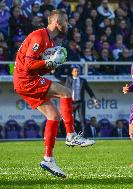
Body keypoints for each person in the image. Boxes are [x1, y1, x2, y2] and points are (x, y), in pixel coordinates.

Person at [13, 10, 95, 178]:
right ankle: (71, 135)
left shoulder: (49, 42)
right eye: (66, 21)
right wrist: (49, 61)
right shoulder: (39, 36)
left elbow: (39, 68)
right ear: (57, 21)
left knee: (54, 117)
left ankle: (48, 159)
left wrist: (51, 65)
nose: (68, 24)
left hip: (26, 80)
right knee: (65, 92)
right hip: (25, 79)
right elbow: (28, 65)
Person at [65, 66, 99, 137]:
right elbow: (65, 91)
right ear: (72, 72)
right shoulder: (69, 79)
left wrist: (94, 99)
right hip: (72, 103)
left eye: (77, 71)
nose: (76, 72)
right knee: (71, 120)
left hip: (80, 102)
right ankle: (71, 135)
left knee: (82, 120)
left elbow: (89, 91)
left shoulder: (83, 80)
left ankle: (84, 136)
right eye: (75, 71)